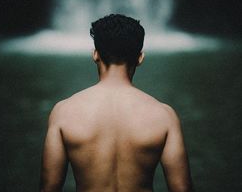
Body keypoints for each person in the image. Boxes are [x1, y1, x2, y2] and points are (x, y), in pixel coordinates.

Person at [40, 14, 193, 192]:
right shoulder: (164, 116)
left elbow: (49, 188)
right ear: (140, 58)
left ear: (95, 55)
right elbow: (182, 189)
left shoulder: (64, 112)